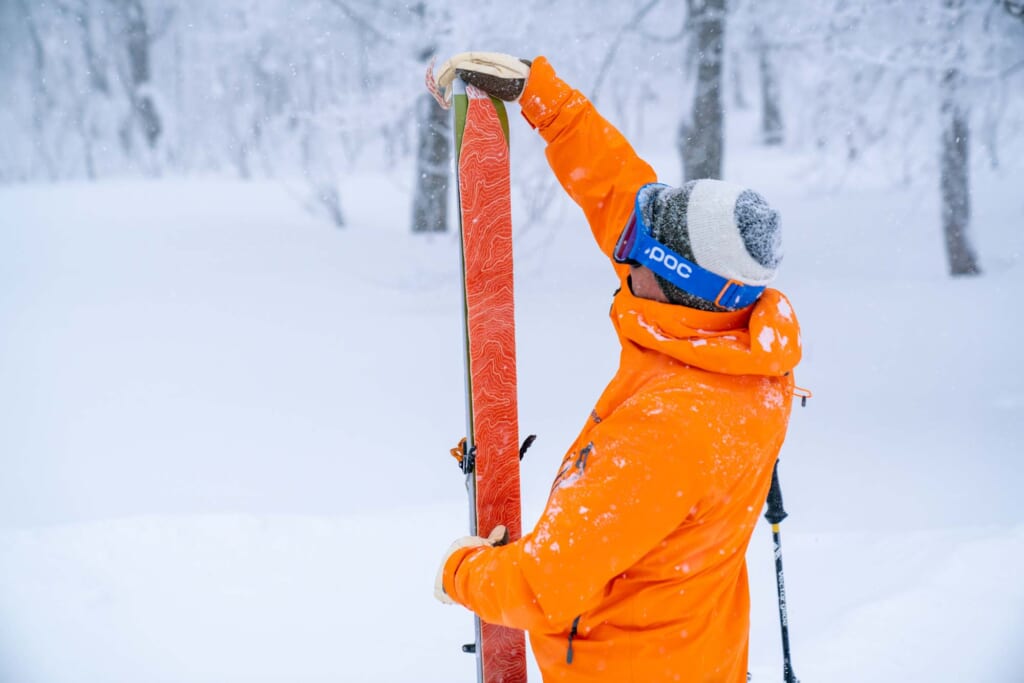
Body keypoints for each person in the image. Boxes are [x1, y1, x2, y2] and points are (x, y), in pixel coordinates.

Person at [432, 53, 803, 682]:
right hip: (696, 657)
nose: (619, 250)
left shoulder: (666, 432)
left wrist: (460, 572)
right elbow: (619, 196)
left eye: (634, 249)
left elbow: (541, 585)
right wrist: (543, 97)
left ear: (673, 277)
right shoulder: (734, 339)